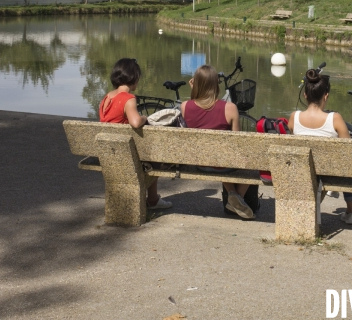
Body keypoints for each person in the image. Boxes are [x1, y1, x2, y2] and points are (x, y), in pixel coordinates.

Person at [180, 65, 255, 220]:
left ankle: (234, 198)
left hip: (198, 161)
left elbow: (195, 105)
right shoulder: (230, 108)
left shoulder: (185, 106)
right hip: (222, 162)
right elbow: (237, 143)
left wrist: (194, 88)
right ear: (216, 84)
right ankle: (236, 197)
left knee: (216, 154)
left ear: (196, 83)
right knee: (252, 160)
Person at [99, 58, 172, 210]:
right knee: (155, 158)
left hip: (108, 149)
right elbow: (136, 122)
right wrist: (145, 118)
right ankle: (152, 200)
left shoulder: (106, 98)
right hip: (124, 151)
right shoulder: (128, 98)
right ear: (134, 77)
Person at [288, 69, 352, 225]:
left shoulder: (294, 117)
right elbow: (348, 150)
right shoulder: (335, 118)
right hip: (328, 172)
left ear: (305, 95)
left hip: (303, 170)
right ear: (326, 95)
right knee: (348, 162)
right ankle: (351, 212)